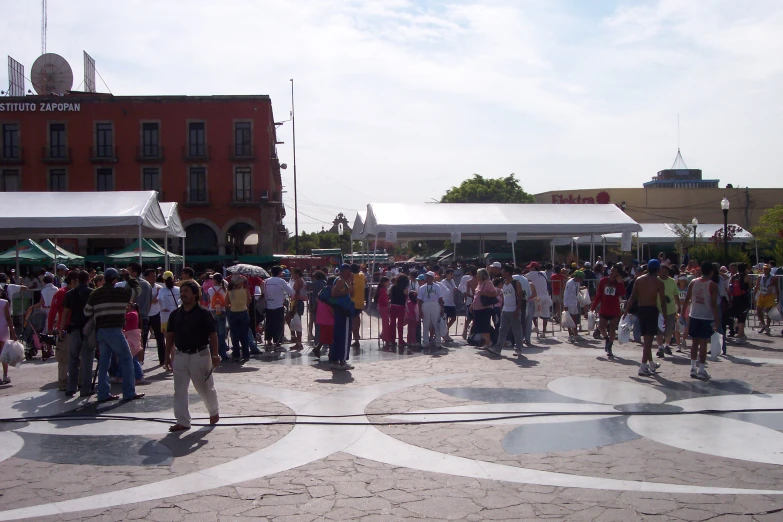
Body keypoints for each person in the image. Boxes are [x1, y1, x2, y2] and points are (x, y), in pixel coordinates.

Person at [164, 280, 220, 432]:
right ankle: (182, 421)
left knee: (204, 388)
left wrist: (215, 355)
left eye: (187, 291)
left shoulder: (204, 313)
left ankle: (213, 411)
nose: (183, 294)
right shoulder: (175, 314)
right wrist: (167, 355)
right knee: (179, 389)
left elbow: (213, 335)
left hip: (200, 355)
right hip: (180, 355)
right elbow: (170, 335)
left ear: (195, 294)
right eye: (182, 291)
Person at [83, 268, 145, 403]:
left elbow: (87, 312)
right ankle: (129, 392)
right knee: (127, 359)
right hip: (115, 331)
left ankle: (103, 393)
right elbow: (137, 289)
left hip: (101, 331)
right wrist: (128, 276)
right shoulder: (121, 293)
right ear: (115, 279)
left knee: (104, 362)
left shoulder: (96, 293)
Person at [625, 260, 666, 377]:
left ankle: (651, 363)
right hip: (652, 310)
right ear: (658, 269)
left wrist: (626, 311)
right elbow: (662, 301)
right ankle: (643, 366)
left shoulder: (639, 280)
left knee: (646, 340)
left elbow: (632, 297)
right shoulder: (659, 283)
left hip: (641, 310)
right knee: (648, 341)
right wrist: (665, 315)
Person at [683, 262, 721, 380]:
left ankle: (693, 368)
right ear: (711, 272)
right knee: (703, 343)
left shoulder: (693, 282)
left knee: (694, 343)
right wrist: (717, 320)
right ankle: (702, 370)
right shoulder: (713, 285)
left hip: (694, 315)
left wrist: (682, 313)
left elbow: (687, 299)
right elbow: (714, 305)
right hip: (706, 317)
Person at [60, 271, 94, 397]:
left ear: (77, 280)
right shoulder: (92, 293)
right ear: (88, 279)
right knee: (87, 360)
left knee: (73, 359)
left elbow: (65, 313)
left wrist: (61, 329)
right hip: (88, 329)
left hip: (74, 329)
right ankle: (85, 389)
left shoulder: (70, 294)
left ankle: (71, 388)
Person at [488, 265, 526, 357]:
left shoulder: (516, 283)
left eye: (503, 271)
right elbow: (504, 296)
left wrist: (518, 309)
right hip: (505, 310)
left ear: (508, 272)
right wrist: (502, 306)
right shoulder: (504, 283)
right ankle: (498, 349)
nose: (502, 272)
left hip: (513, 310)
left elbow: (520, 297)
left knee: (516, 330)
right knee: (502, 330)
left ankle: (518, 348)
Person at [50, 272, 78, 391]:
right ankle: (63, 382)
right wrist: (50, 328)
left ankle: (70, 382)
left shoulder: (76, 292)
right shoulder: (61, 293)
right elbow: (53, 311)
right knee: (64, 357)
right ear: (73, 281)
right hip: (66, 329)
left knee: (72, 357)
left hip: (73, 328)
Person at [591, 265, 625, 359]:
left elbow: (622, 293)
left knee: (612, 328)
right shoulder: (603, 280)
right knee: (602, 327)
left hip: (614, 308)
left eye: (614, 271)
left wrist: (619, 283)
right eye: (611, 270)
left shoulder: (619, 282)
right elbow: (599, 294)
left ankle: (610, 345)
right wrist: (593, 306)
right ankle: (607, 339)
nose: (611, 272)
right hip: (604, 308)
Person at [329, 264, 355, 370]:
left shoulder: (341, 280)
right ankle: (342, 361)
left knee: (338, 336)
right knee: (344, 336)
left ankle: (336, 359)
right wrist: (349, 284)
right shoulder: (340, 281)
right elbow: (334, 294)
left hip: (340, 310)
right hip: (343, 311)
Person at [263, 266, 293, 351]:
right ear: (280, 273)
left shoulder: (266, 281)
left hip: (268, 306)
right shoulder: (281, 281)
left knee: (269, 325)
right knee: (279, 326)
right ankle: (277, 344)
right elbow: (290, 291)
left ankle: (269, 343)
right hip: (278, 306)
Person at [127, 263, 152, 363]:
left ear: (134, 272)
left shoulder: (131, 284)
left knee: (132, 341)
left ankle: (134, 362)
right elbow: (150, 302)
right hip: (144, 315)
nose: (127, 272)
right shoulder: (147, 284)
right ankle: (140, 362)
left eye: (129, 270)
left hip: (133, 316)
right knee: (142, 340)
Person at [655, 264, 680, 359]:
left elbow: (676, 294)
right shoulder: (656, 281)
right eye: (662, 272)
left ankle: (667, 345)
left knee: (669, 330)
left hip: (671, 310)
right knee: (659, 330)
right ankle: (660, 347)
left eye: (666, 272)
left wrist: (679, 307)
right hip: (658, 310)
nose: (664, 274)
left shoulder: (672, 281)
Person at [226, 275, 252, 362]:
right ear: (240, 283)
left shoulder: (229, 291)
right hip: (244, 313)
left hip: (233, 313)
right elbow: (249, 301)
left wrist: (232, 306)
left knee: (235, 335)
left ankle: (236, 354)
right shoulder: (245, 290)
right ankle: (246, 355)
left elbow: (226, 304)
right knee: (244, 335)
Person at [144, 269, 166, 365]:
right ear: (146, 277)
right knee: (143, 337)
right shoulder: (143, 287)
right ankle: (140, 360)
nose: (154, 277)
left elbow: (157, 300)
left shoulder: (159, 287)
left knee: (160, 338)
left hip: (156, 314)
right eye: (152, 275)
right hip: (145, 314)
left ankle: (163, 359)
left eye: (155, 275)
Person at [418, 271, 444, 352]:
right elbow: (419, 300)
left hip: (435, 305)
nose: (428, 278)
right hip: (425, 305)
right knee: (426, 324)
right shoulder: (422, 287)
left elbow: (440, 299)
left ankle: (438, 342)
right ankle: (425, 342)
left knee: (436, 324)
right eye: (427, 276)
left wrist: (442, 309)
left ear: (433, 278)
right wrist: (420, 311)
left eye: (429, 277)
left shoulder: (437, 287)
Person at [472, 268, 497, 350]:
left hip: (485, 308)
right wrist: (472, 305)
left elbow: (494, 293)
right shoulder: (479, 283)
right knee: (479, 326)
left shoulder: (488, 283)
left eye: (478, 274)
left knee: (484, 325)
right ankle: (487, 341)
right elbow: (476, 296)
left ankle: (488, 342)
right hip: (478, 308)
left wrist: (483, 293)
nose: (476, 276)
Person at [526, 263, 552, 338]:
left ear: (534, 268)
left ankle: (536, 327)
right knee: (545, 315)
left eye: (531, 267)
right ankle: (543, 332)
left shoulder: (531, 274)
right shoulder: (543, 273)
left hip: (537, 298)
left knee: (534, 313)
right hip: (546, 297)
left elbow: (523, 278)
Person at [207, 274, 230, 361]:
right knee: (221, 333)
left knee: (213, 333)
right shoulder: (225, 290)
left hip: (212, 311)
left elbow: (210, 300)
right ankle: (223, 353)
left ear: (215, 281)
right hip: (222, 311)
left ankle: (213, 352)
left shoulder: (210, 290)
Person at [729, 263, 751, 344]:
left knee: (738, 317)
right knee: (742, 318)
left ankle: (742, 334)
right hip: (743, 299)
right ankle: (739, 336)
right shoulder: (746, 277)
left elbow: (729, 288)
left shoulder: (733, 277)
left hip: (735, 299)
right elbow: (750, 286)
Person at [314, 276, 336, 358]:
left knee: (325, 334)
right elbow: (330, 305)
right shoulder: (331, 291)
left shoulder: (323, 289)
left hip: (321, 315)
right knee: (330, 335)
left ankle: (318, 348)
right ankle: (330, 352)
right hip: (329, 317)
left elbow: (317, 299)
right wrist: (334, 314)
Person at [0, 283, 17, 385]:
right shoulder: (4, 302)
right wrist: (13, 332)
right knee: (3, 352)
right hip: (3, 328)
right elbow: (8, 318)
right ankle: (5, 375)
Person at [755, 265, 779, 335]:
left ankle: (767, 327)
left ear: (769, 270)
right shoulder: (760, 277)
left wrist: (778, 297)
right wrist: (754, 296)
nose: (765, 270)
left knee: (769, 312)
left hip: (770, 296)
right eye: (764, 269)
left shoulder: (774, 278)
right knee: (758, 311)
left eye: (766, 269)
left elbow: (776, 287)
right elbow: (757, 287)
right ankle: (763, 325)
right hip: (761, 295)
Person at [288, 268, 307, 351]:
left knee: (296, 321)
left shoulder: (299, 281)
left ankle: (298, 342)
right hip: (295, 302)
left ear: (297, 274)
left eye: (293, 273)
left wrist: (295, 305)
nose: (292, 275)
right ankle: (296, 339)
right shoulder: (297, 280)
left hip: (297, 302)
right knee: (291, 320)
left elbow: (297, 293)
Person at [563, 271, 585, 343]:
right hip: (569, 303)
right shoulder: (570, 283)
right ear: (577, 277)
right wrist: (565, 305)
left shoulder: (577, 283)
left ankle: (575, 334)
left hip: (575, 302)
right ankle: (570, 335)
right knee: (570, 319)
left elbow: (577, 291)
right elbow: (566, 293)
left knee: (575, 319)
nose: (581, 280)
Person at [389, 274, 409, 349]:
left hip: (393, 305)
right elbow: (406, 297)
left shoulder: (393, 287)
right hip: (401, 306)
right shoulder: (404, 288)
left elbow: (390, 295)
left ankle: (392, 340)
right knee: (400, 324)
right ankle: (400, 340)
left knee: (392, 323)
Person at [307, 271, 327, 343]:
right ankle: (325, 339)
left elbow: (306, 285)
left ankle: (318, 340)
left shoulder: (315, 284)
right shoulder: (325, 283)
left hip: (316, 306)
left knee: (317, 324)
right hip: (325, 305)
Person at [439, 269, 457, 342]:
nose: (452, 275)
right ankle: (445, 334)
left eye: (452, 274)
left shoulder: (452, 281)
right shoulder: (443, 282)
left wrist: (455, 289)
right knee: (445, 319)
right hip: (445, 303)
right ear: (447, 274)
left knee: (453, 318)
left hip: (451, 302)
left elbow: (454, 287)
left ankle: (446, 330)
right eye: (451, 274)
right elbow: (446, 291)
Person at [350, 264, 366, 348]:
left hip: (353, 302)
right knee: (356, 319)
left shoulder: (351, 277)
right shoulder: (362, 275)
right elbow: (366, 282)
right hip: (360, 301)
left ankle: (356, 337)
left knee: (353, 321)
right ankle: (357, 337)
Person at [376, 276, 392, 349]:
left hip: (382, 306)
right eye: (387, 282)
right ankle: (386, 338)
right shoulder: (383, 290)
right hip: (383, 307)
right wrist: (388, 302)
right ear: (384, 282)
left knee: (385, 322)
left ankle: (384, 335)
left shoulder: (382, 289)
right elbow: (383, 299)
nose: (388, 283)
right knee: (385, 322)